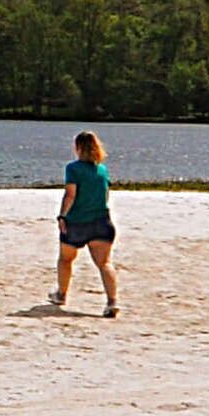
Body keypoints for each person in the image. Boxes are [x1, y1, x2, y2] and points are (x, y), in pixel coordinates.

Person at [53, 130, 118, 317]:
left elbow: (70, 195)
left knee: (66, 259)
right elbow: (105, 195)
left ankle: (61, 294)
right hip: (102, 222)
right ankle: (112, 302)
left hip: (77, 222)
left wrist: (62, 216)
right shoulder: (102, 169)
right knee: (104, 263)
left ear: (78, 147)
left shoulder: (73, 168)